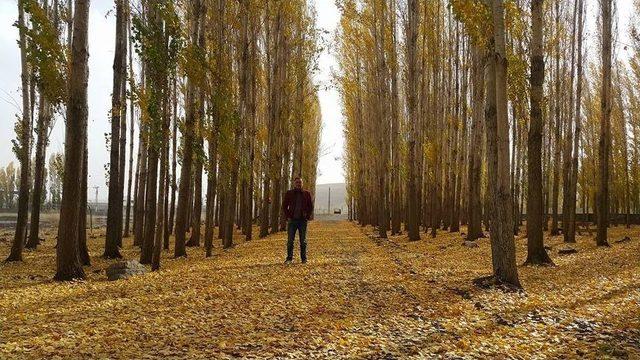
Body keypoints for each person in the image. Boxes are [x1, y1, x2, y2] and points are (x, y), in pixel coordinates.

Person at [281, 177, 314, 264]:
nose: (298, 184)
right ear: (294, 183)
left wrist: (307, 216)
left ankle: (304, 259)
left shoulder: (307, 194)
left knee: (303, 241)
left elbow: (310, 206)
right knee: (290, 241)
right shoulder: (289, 193)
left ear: (302, 184)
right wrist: (288, 216)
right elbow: (284, 205)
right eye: (297, 182)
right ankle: (289, 259)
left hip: (303, 221)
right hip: (292, 221)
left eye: (300, 182)